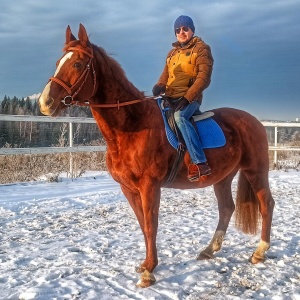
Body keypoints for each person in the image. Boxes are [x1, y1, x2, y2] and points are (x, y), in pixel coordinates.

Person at [152, 15, 214, 182]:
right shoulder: (172, 53)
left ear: (192, 30)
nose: (181, 32)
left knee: (180, 117)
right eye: (178, 30)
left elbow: (204, 78)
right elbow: (165, 76)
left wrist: (187, 98)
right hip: (170, 97)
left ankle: (200, 162)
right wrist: (159, 86)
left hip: (190, 99)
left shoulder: (201, 49)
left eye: (185, 28)